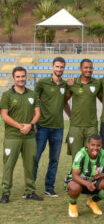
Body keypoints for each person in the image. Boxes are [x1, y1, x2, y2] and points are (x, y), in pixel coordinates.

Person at [0, 67, 42, 203]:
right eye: (18, 77)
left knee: (30, 165)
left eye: (23, 76)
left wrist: (30, 125)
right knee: (8, 165)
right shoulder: (7, 95)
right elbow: (4, 116)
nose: (21, 79)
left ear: (26, 77)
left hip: (29, 137)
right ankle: (5, 193)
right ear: (14, 78)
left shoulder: (32, 94)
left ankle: (30, 192)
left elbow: (37, 113)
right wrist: (20, 126)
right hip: (12, 136)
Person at [34, 57, 68, 197]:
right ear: (52, 67)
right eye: (57, 66)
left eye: (61, 67)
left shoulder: (65, 85)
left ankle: (49, 187)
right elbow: (34, 101)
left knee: (54, 159)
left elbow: (65, 103)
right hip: (42, 126)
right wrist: (34, 122)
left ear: (64, 68)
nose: (59, 69)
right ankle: (30, 188)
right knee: (35, 157)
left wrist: (73, 118)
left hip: (58, 128)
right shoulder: (42, 83)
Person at [64, 134, 104, 218]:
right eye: (93, 145)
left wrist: (100, 175)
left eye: (98, 145)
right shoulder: (81, 154)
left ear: (101, 146)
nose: (95, 148)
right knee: (75, 187)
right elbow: (74, 176)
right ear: (88, 145)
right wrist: (87, 184)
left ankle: (92, 202)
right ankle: (73, 204)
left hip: (94, 182)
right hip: (79, 182)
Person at [65, 59, 101, 158]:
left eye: (90, 67)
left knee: (91, 156)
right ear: (80, 68)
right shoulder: (73, 83)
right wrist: (71, 116)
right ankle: (75, 174)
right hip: (76, 126)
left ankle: (90, 174)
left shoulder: (97, 83)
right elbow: (64, 101)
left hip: (91, 126)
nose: (88, 70)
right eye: (86, 67)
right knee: (76, 157)